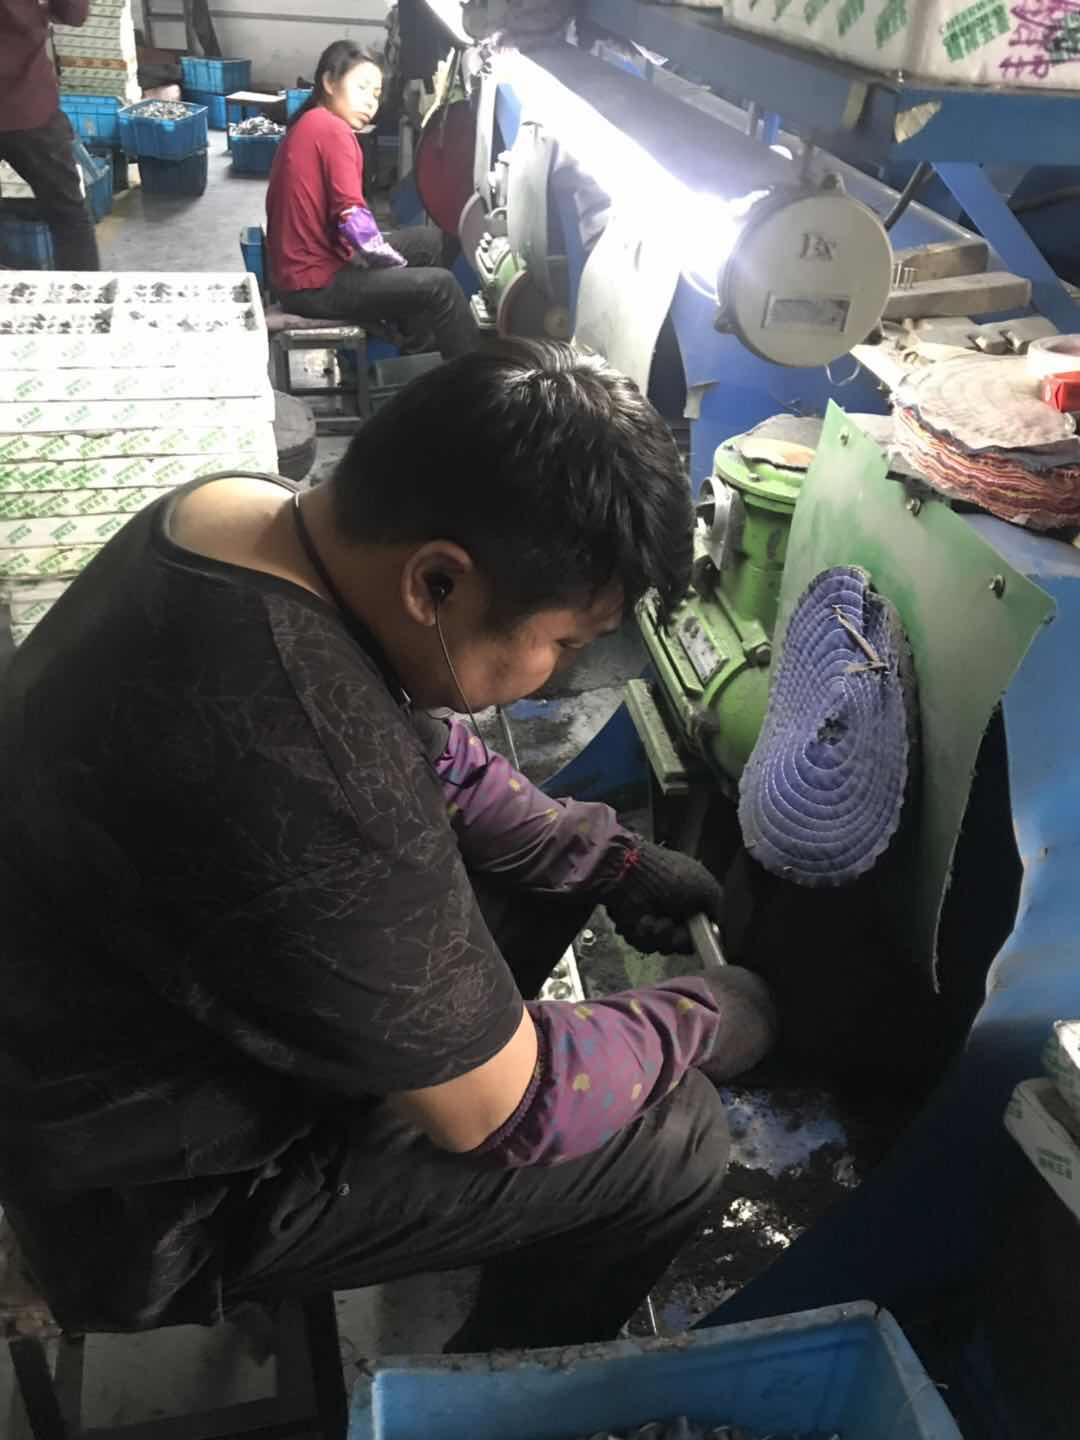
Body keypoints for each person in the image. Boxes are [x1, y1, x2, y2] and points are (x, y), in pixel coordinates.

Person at [0, 341, 774, 1349]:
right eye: (564, 643)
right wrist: (701, 1021)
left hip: (109, 1015)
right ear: (437, 582)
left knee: (528, 877)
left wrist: (599, 854)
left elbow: (427, 753)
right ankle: (497, 1395)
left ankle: (472, 1158)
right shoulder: (312, 767)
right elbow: (515, 1107)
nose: (552, 676)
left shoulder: (243, 521)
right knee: (674, 1141)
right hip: (145, 1194)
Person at [266, 40, 477, 359]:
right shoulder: (332, 130)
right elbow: (352, 217)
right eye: (361, 88)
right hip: (314, 287)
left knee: (431, 242)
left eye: (376, 94)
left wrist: (392, 267)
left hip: (301, 274)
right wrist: (391, 265)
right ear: (329, 82)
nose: (370, 102)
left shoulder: (308, 122)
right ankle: (474, 379)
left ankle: (413, 346)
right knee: (442, 286)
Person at [0, 0, 100, 271]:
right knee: (67, 216)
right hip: (26, 105)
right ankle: (81, 294)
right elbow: (74, 12)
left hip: (27, 105)